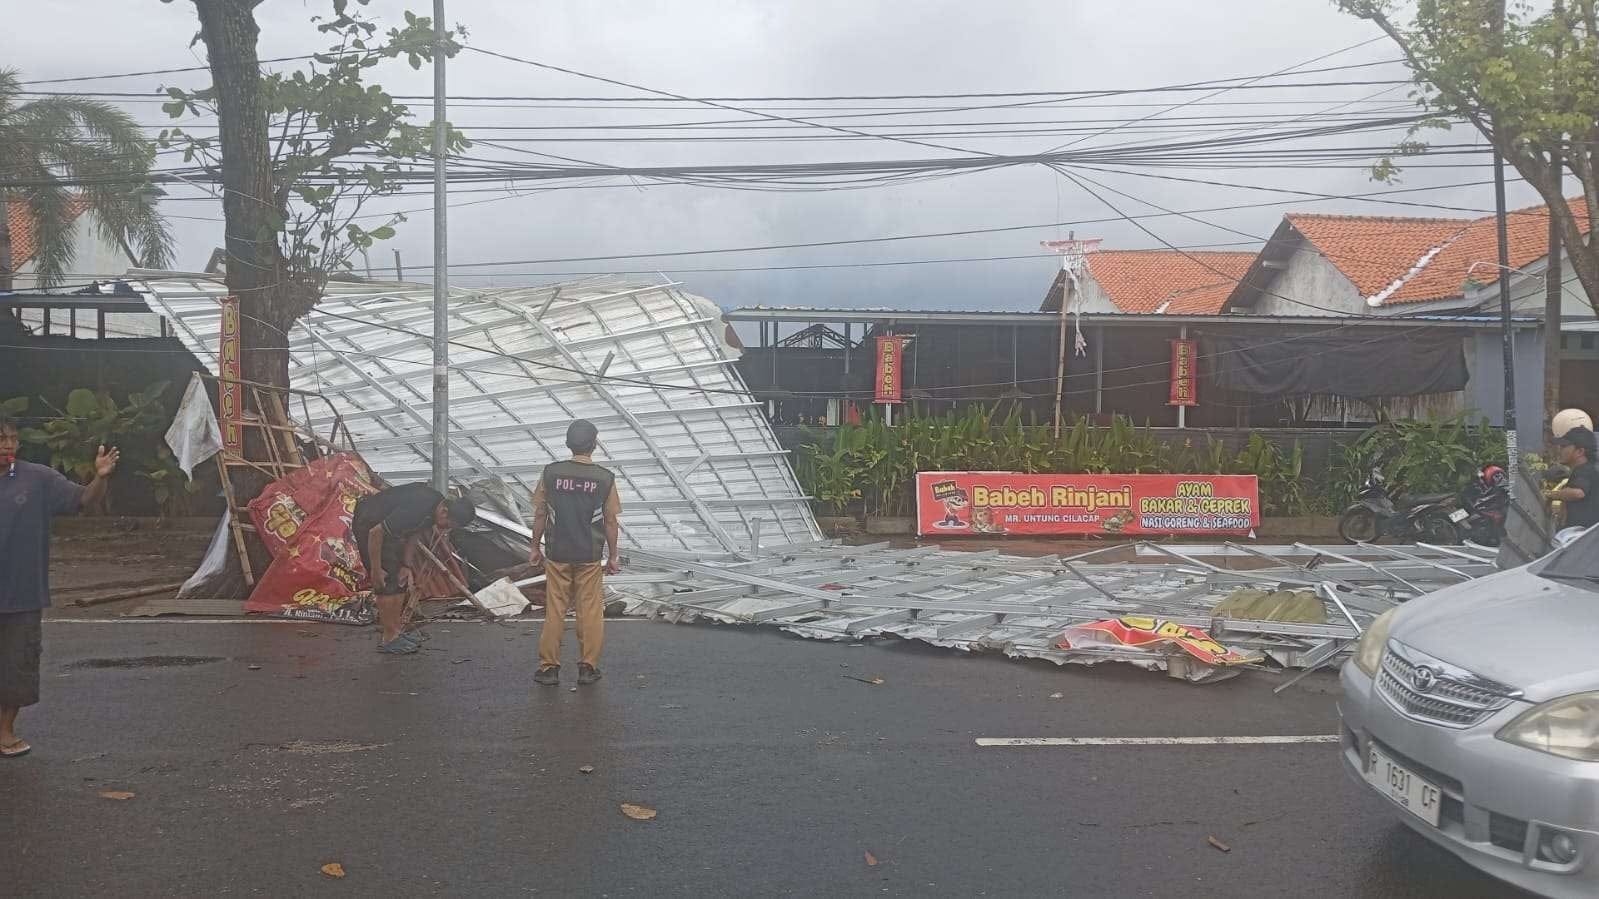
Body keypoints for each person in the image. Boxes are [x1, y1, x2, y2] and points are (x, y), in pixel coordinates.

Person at [0, 413, 119, 758]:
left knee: (17, 666)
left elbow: (83, 500)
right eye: (0, 438)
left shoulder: (36, 479)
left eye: (12, 438)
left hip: (21, 593)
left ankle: (5, 732)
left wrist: (101, 477)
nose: (7, 445)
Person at [529, 419, 622, 686]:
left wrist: (535, 547)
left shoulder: (551, 473)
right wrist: (613, 555)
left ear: (569, 444)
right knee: (590, 611)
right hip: (589, 555)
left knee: (555, 609)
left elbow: (540, 513)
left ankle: (549, 669)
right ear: (594, 445)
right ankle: (587, 668)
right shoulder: (605, 478)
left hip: (557, 553)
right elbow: (610, 521)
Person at [351, 483, 476, 654]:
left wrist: (406, 565)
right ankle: (388, 639)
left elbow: (414, 534)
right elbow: (375, 533)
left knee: (400, 580)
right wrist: (375, 569)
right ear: (444, 511)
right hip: (369, 526)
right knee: (387, 581)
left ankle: (395, 631)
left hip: (389, 533)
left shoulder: (434, 510)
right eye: (448, 524)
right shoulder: (417, 508)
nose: (446, 528)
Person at [1548, 425, 1598, 536]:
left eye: (1564, 446)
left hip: (1581, 539)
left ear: (1580, 451)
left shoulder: (1585, 470)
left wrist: (1551, 494)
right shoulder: (1588, 470)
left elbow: (1578, 493)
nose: (1559, 450)